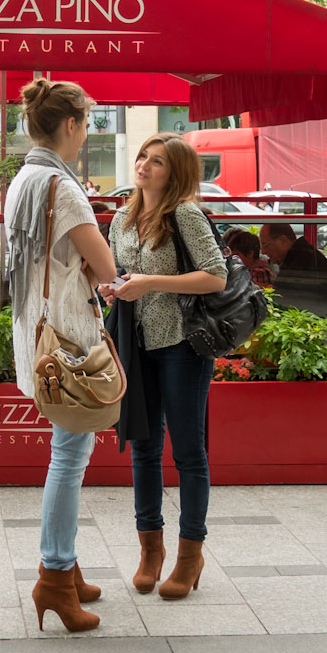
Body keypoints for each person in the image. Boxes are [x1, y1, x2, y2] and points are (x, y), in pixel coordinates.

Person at [3, 80, 117, 633]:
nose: (87, 133)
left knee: (66, 454)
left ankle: (65, 568)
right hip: (70, 340)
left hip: (37, 333)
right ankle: (53, 575)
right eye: (88, 123)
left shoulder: (24, 178)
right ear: (69, 125)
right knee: (69, 460)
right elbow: (108, 266)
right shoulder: (63, 189)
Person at [101, 132, 225, 606]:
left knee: (189, 452)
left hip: (182, 345)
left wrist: (150, 281)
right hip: (135, 344)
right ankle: (149, 551)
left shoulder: (186, 214)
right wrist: (111, 290)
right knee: (144, 447)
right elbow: (115, 274)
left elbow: (214, 275)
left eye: (156, 162)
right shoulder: (122, 217)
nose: (144, 166)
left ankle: (190, 554)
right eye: (142, 158)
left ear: (175, 172)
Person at [260, 222, 327, 276]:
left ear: (282, 240)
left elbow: (283, 297)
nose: (263, 251)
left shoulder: (300, 261)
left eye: (266, 245)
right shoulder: (301, 253)